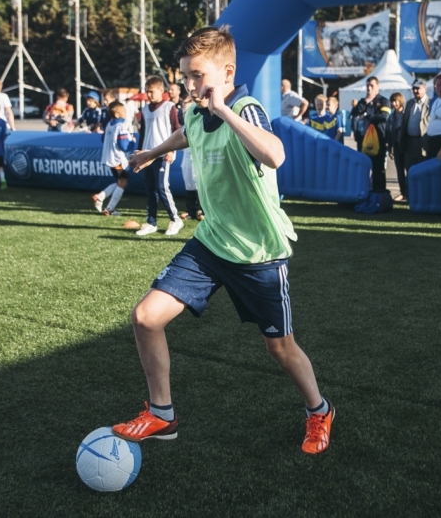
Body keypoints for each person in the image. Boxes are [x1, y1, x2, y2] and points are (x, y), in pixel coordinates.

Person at [114, 25, 333, 455]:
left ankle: (319, 410)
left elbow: (275, 155)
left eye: (198, 75)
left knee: (281, 349)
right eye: (185, 77)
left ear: (227, 72)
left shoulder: (246, 109)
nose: (190, 85)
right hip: (211, 243)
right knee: (145, 317)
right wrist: (151, 153)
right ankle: (162, 414)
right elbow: (189, 134)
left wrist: (225, 110)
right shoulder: (195, 112)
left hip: (258, 253)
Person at [135, 75, 183, 237]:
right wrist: (139, 153)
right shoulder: (145, 109)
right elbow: (142, 133)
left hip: (162, 154)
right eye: (147, 92)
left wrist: (172, 150)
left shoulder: (169, 107)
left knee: (162, 187)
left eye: (152, 91)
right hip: (147, 156)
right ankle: (151, 222)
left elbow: (177, 129)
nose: (149, 95)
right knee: (150, 189)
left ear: (161, 91)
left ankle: (175, 219)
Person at [92, 101, 137, 216]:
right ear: (117, 114)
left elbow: (103, 139)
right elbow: (124, 146)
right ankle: (109, 208)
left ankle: (100, 197)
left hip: (110, 158)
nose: (126, 112)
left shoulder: (109, 124)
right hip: (119, 159)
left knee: (119, 182)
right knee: (123, 182)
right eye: (123, 111)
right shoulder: (121, 126)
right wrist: (132, 142)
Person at [350, 76, 392, 191]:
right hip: (363, 140)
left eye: (371, 86)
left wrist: (368, 116)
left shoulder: (384, 101)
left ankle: (379, 193)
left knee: (378, 169)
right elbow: (354, 113)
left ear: (377, 86)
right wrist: (366, 101)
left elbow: (384, 117)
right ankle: (363, 192)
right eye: (367, 85)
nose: (369, 88)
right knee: (363, 167)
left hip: (378, 139)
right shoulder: (362, 102)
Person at [398, 79, 430, 201]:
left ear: (425, 88)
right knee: (410, 170)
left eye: (418, 88)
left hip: (423, 143)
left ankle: (423, 197)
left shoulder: (430, 103)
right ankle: (410, 197)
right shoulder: (410, 103)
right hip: (410, 142)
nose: (415, 91)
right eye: (414, 88)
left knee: (423, 170)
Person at [179, 94, 202, 220]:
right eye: (183, 111)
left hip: (198, 158)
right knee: (189, 184)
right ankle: (191, 211)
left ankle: (202, 211)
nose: (185, 114)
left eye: (187, 111)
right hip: (186, 157)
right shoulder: (184, 127)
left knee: (199, 183)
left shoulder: (201, 124)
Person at [386, 92, 406, 200]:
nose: (393, 103)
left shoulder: (406, 114)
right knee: (399, 170)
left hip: (407, 146)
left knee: (409, 168)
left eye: (395, 101)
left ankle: (409, 191)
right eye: (392, 101)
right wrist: (390, 148)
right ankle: (403, 192)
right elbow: (389, 133)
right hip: (396, 146)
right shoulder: (391, 116)